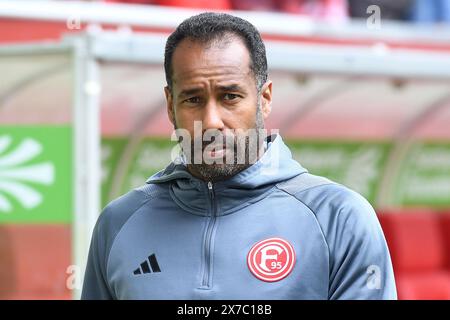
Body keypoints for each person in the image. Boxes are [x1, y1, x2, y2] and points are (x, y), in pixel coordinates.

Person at [81, 12, 397, 300]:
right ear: (170, 104)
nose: (212, 120)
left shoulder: (339, 218)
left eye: (230, 97)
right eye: (193, 99)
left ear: (264, 99)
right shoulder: (119, 223)